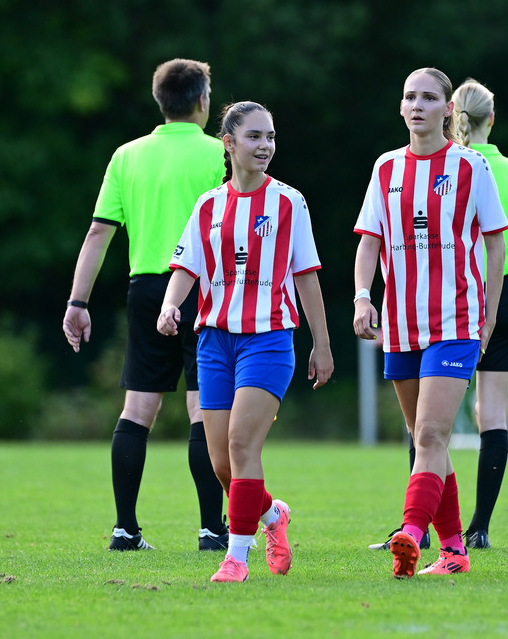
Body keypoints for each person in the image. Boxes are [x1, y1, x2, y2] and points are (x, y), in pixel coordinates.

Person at [157, 101, 333, 583]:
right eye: (255, 137)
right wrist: (170, 305)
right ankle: (273, 517)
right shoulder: (208, 205)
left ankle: (237, 557)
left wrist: (322, 343)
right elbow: (186, 267)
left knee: (240, 443)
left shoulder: (289, 202)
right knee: (220, 464)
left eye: (271, 137)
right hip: (213, 341)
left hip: (270, 340)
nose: (266, 146)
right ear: (229, 144)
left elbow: (307, 277)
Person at [62, 58, 228, 551]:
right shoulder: (220, 152)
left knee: (138, 408)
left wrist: (77, 301)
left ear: (160, 102)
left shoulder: (127, 155)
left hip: (146, 290)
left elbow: (98, 232)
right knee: (205, 408)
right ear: (202, 101)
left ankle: (125, 528)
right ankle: (210, 529)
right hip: (204, 289)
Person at [354, 67, 508, 578]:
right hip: (400, 325)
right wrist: (362, 296)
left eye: (428, 98)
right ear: (401, 108)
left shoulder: (470, 167)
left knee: (432, 434)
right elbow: (369, 241)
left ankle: (410, 533)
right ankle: (455, 553)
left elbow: (495, 242)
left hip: (456, 322)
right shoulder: (385, 169)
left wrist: (487, 317)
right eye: (409, 97)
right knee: (428, 444)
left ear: (448, 110)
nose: (417, 105)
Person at [452, 78, 508, 550]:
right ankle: (479, 527)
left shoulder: (448, 165)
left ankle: (420, 526)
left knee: (428, 419)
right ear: (492, 118)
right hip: (504, 301)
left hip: (453, 296)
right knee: (493, 412)